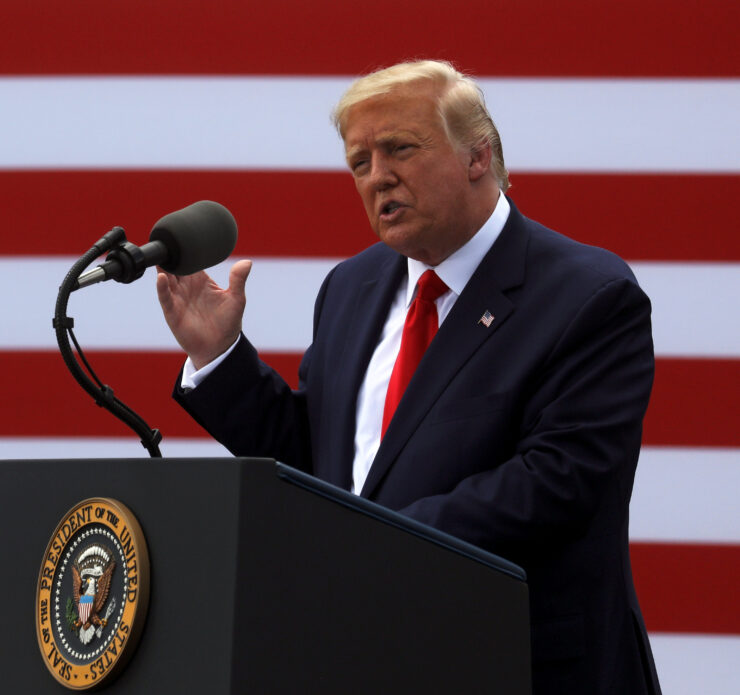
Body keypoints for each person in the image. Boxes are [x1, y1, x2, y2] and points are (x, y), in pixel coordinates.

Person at [155, 60, 661, 695]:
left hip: (520, 664)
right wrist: (220, 357)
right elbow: (325, 467)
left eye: (399, 149)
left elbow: (560, 480)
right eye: (359, 162)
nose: (378, 178)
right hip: (372, 659)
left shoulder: (588, 294)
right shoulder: (351, 286)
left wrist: (369, 538)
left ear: (479, 155)